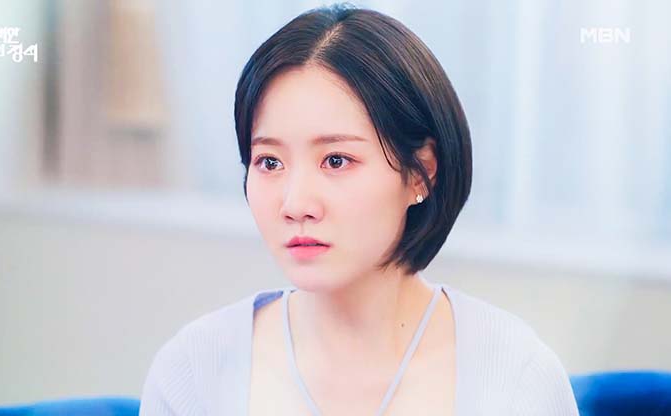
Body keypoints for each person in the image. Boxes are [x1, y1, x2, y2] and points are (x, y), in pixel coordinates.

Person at [139, 3, 579, 415]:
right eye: (270, 162)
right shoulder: (194, 372)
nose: (296, 205)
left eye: (336, 161)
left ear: (420, 172)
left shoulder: (515, 378)